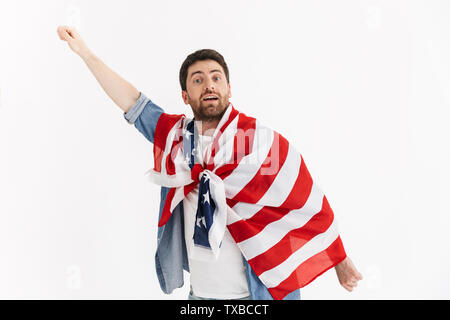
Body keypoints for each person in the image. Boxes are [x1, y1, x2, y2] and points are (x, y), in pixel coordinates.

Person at [57, 25, 363, 300]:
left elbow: (305, 202)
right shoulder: (176, 141)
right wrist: (85, 53)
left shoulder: (259, 142)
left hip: (258, 296)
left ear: (229, 90)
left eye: (217, 78)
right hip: (201, 298)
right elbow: (134, 103)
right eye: (198, 79)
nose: (209, 85)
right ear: (185, 95)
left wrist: (339, 260)